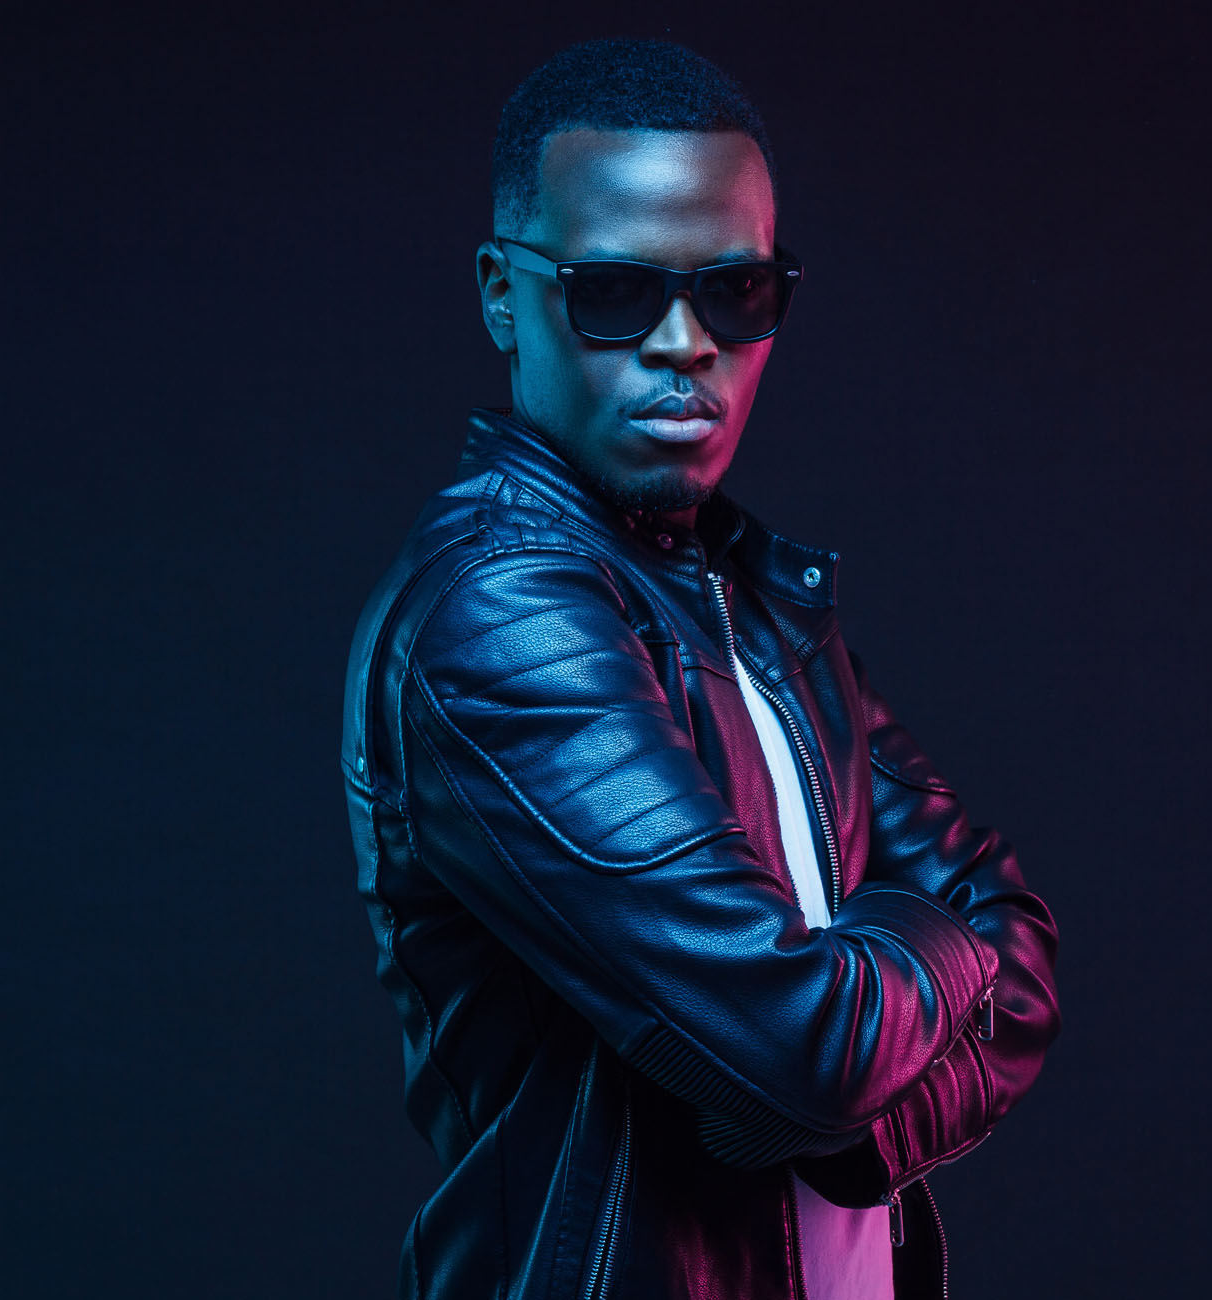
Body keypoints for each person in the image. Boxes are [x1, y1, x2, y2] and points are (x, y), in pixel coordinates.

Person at [341, 38, 1060, 1300]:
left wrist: (849, 1122)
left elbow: (1029, 968)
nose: (686, 344)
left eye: (736, 293)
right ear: (504, 297)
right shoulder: (502, 616)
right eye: (616, 291)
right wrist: (924, 962)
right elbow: (809, 1045)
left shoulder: (757, 597)